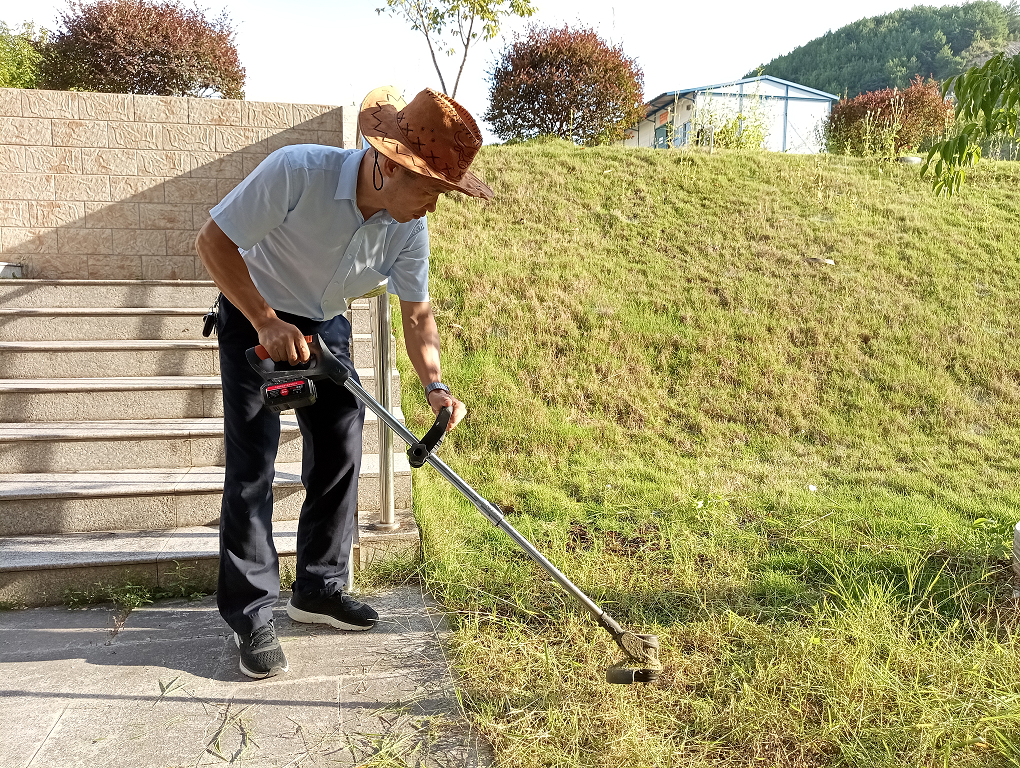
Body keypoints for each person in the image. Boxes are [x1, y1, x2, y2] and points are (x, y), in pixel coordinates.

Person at [195, 86, 493, 679]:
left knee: (341, 449)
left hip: (325, 324)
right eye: (429, 189)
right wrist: (265, 320)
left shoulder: (408, 228)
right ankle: (251, 613)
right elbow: (214, 242)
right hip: (254, 314)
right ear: (388, 165)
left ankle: (319, 588)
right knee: (252, 465)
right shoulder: (297, 171)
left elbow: (417, 315)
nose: (432, 207)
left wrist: (435, 386)